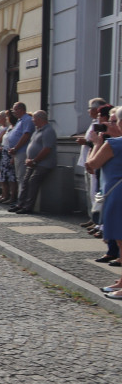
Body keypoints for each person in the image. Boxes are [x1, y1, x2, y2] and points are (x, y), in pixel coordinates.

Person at [84, 108, 122, 298]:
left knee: (121, 240)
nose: (108, 125)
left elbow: (91, 165)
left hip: (116, 196)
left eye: (113, 121)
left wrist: (98, 142)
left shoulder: (114, 144)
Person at [9, 110, 57, 215]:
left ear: (40, 119)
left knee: (32, 181)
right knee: (25, 182)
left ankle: (28, 206)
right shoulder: (37, 130)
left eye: (34, 119)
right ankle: (20, 204)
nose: (32, 121)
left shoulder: (48, 131)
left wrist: (34, 160)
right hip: (32, 163)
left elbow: (47, 149)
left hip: (43, 163)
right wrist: (29, 159)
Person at [77, 98, 109, 227]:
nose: (88, 111)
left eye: (90, 108)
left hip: (96, 162)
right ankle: (93, 218)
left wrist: (86, 142)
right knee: (90, 191)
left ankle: (98, 221)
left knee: (95, 192)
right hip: (88, 160)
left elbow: (99, 143)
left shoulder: (104, 126)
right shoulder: (94, 123)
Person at [5, 101, 35, 204]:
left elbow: (26, 135)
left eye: (15, 109)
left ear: (21, 109)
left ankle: (22, 202)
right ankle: (20, 200)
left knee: (22, 177)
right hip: (17, 153)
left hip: (22, 151)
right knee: (19, 177)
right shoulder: (20, 120)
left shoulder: (27, 120)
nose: (14, 112)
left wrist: (16, 148)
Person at [0, 109, 18, 204]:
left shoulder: (15, 128)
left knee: (11, 178)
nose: (6, 119)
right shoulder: (9, 128)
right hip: (4, 154)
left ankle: (13, 197)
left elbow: (15, 141)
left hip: (10, 154)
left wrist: (13, 157)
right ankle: (5, 195)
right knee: (3, 176)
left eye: (8, 117)